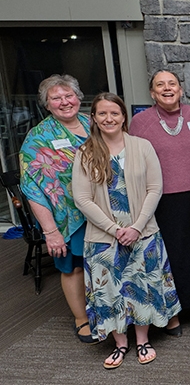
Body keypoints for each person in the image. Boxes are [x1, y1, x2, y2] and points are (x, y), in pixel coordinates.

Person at [72, 93, 181, 368]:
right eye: (102, 114)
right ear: (94, 118)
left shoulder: (142, 146)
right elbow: (82, 198)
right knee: (110, 291)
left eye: (114, 113)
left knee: (140, 287)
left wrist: (136, 227)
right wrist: (114, 229)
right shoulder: (85, 153)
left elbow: (155, 188)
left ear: (123, 117)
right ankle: (120, 344)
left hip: (143, 232)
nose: (109, 118)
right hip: (102, 238)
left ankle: (143, 340)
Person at [129, 70, 190, 334]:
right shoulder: (140, 122)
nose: (167, 88)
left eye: (172, 84)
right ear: (152, 93)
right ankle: (173, 311)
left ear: (180, 90)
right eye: (160, 85)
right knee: (171, 256)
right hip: (162, 199)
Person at [20, 74, 92, 343]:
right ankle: (81, 319)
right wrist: (50, 231)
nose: (64, 102)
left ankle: (104, 311)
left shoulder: (92, 123)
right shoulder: (37, 139)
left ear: (78, 97)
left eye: (69, 96)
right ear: (46, 105)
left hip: (101, 213)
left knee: (99, 264)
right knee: (72, 267)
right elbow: (32, 189)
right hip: (67, 218)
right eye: (56, 98)